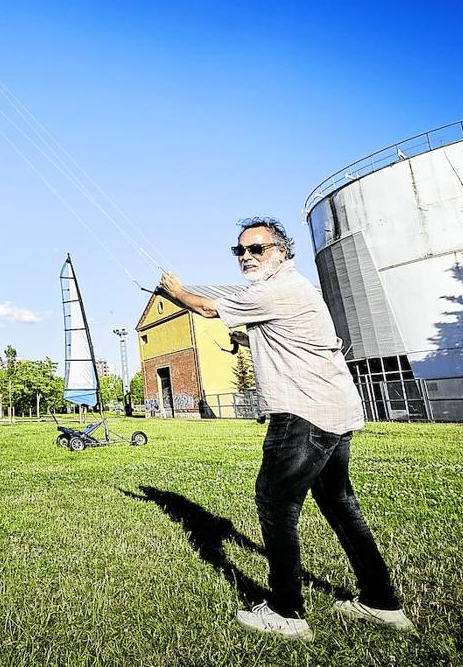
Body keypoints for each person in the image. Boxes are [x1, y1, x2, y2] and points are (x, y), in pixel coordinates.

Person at [159, 217, 410, 641]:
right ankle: (381, 602)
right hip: (332, 412)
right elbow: (287, 337)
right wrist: (244, 343)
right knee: (339, 503)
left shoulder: (274, 289)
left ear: (281, 252)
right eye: (239, 251)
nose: (246, 258)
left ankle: (285, 611)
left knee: (275, 504)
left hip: (302, 413)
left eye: (257, 249)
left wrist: (175, 290)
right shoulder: (295, 290)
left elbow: (204, 307)